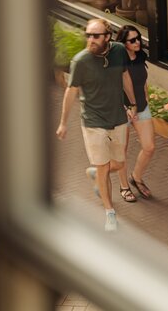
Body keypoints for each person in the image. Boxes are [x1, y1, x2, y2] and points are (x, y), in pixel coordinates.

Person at [56, 18, 138, 231]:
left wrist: (133, 103)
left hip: (117, 117)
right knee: (103, 167)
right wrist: (63, 123)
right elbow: (71, 91)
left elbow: (125, 77)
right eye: (88, 35)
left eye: (96, 36)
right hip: (93, 120)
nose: (90, 39)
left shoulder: (119, 51)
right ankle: (109, 212)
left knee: (119, 163)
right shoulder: (81, 61)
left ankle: (95, 173)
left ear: (107, 37)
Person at [114, 25, 155, 202]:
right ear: (124, 43)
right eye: (132, 40)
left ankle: (136, 177)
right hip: (122, 110)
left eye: (138, 38)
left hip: (141, 107)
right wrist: (126, 108)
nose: (137, 42)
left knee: (149, 147)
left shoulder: (140, 56)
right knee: (121, 151)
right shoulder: (117, 62)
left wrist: (146, 98)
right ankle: (124, 187)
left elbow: (143, 80)